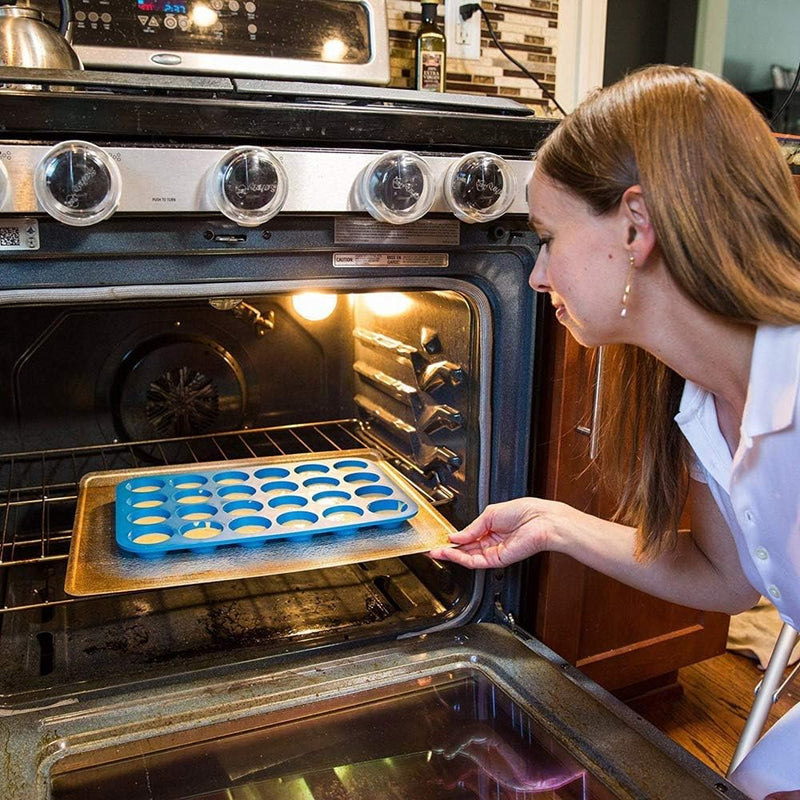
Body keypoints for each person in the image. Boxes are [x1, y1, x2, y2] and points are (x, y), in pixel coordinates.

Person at [428, 64, 800, 800]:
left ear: (635, 226)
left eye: (547, 237)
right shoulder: (701, 394)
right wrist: (555, 523)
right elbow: (729, 581)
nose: (536, 276)